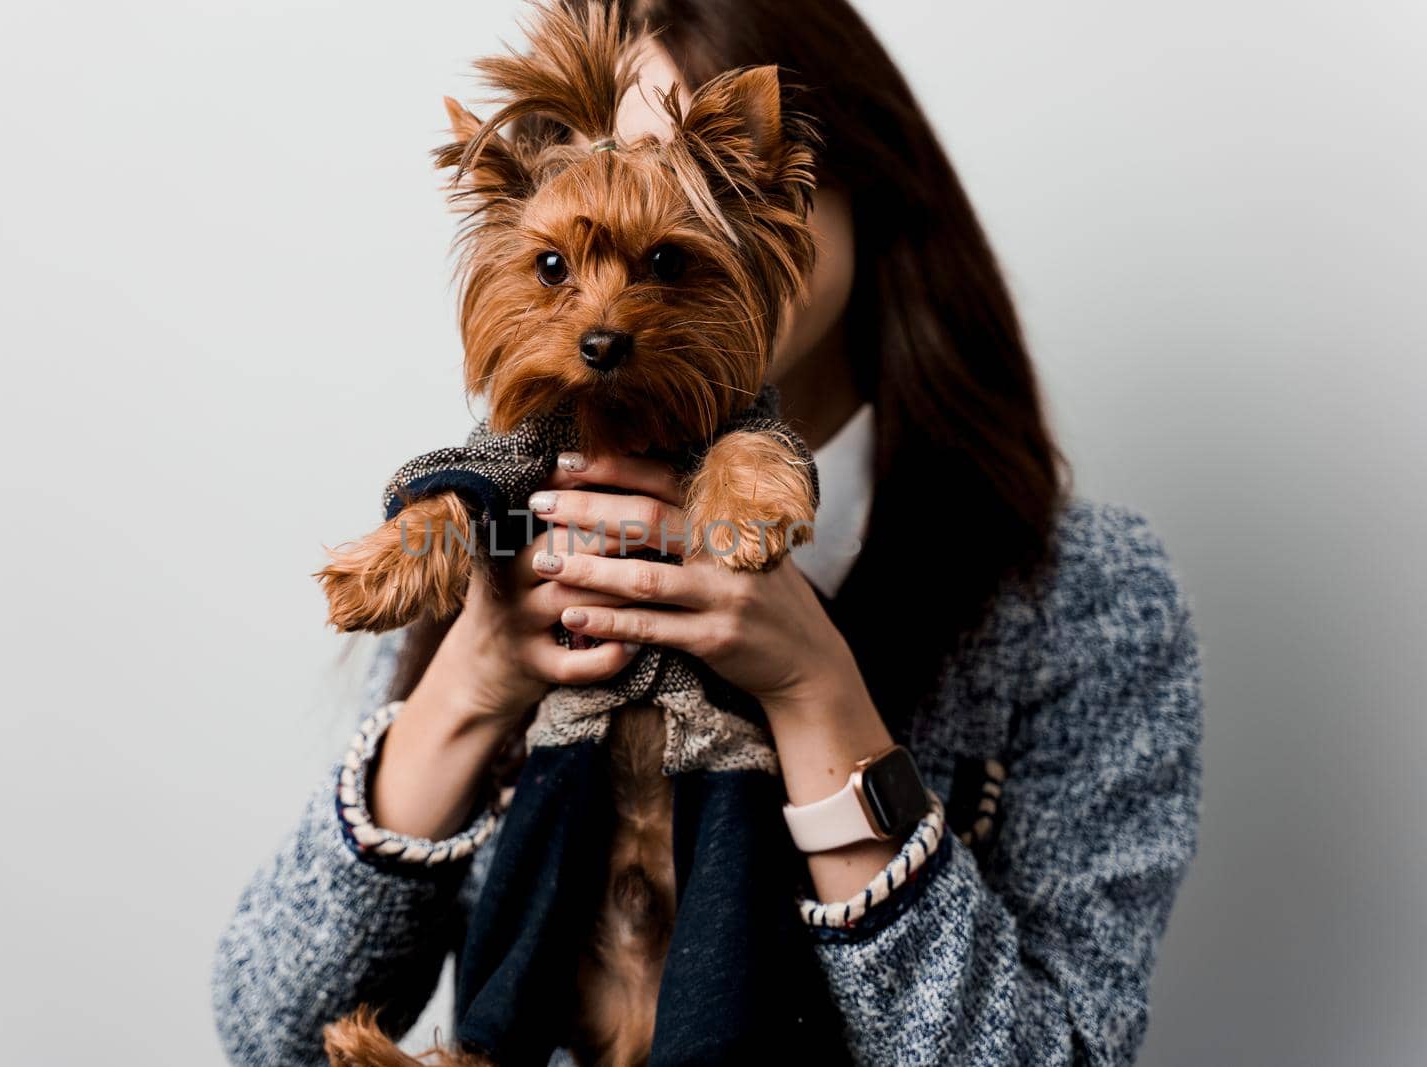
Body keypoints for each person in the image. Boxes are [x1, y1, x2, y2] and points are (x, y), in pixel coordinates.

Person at [212, 1, 1202, 1063]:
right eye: (620, 166)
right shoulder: (502, 524)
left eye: (723, 167)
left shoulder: (1082, 593)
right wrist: (467, 682)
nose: (669, 205)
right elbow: (269, 1030)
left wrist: (819, 696)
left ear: (848, 180)